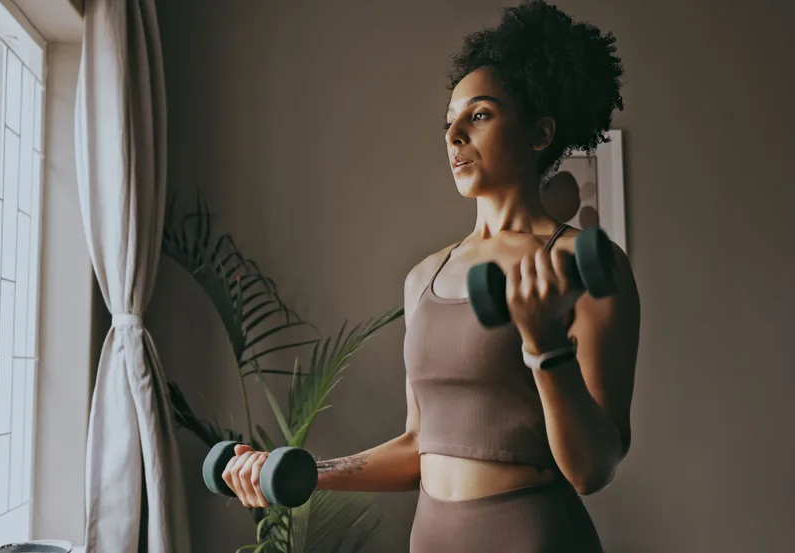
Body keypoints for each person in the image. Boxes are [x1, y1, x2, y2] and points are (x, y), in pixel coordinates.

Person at [222, 1, 640, 550]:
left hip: (533, 537)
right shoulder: (423, 277)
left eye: (481, 115)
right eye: (449, 123)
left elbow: (593, 469)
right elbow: (419, 444)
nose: (454, 136)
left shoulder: (585, 265)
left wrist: (545, 349)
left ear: (540, 133)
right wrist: (295, 472)